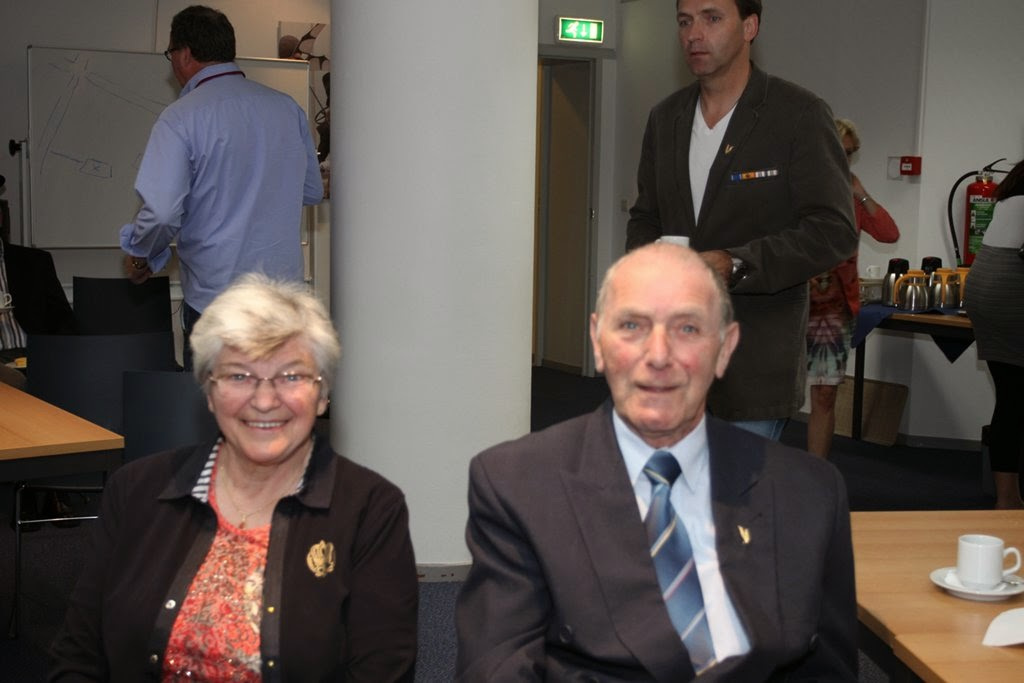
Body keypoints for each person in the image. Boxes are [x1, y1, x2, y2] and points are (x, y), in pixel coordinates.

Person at [455, 243, 857, 681]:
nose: (659, 355)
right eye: (632, 325)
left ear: (725, 348)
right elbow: (497, 669)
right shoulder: (519, 486)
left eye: (688, 328)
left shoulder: (808, 492)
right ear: (598, 342)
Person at [50, 274, 418, 681]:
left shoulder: (370, 510)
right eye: (239, 376)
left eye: (291, 376)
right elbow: (79, 655)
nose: (264, 400)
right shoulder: (135, 489)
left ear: (323, 394)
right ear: (209, 392)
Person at [626, 0, 857, 440]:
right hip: (670, 361)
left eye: (712, 18)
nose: (694, 34)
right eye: (684, 21)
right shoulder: (665, 118)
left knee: (733, 485)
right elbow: (645, 217)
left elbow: (833, 230)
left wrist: (735, 263)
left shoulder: (798, 115)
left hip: (754, 362)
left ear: (749, 27)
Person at [120, 5, 323, 369]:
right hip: (283, 303)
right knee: (275, 400)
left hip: (218, 303)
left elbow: (162, 212)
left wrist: (141, 254)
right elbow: (311, 190)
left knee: (216, 403)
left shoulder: (181, 118)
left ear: (184, 54)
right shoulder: (286, 108)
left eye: (170, 54)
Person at [806, 119, 900, 457]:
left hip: (833, 309)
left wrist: (861, 193)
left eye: (848, 154)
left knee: (825, 394)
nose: (842, 159)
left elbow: (889, 233)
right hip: (789, 302)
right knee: (773, 392)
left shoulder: (851, 196)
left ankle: (816, 474)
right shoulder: (797, 186)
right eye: (837, 151)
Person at [964, 159, 1024, 509]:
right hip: (1009, 296)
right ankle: (1009, 499)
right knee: (1015, 401)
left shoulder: (1006, 202)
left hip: (986, 297)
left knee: (1011, 399)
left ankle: (1007, 497)